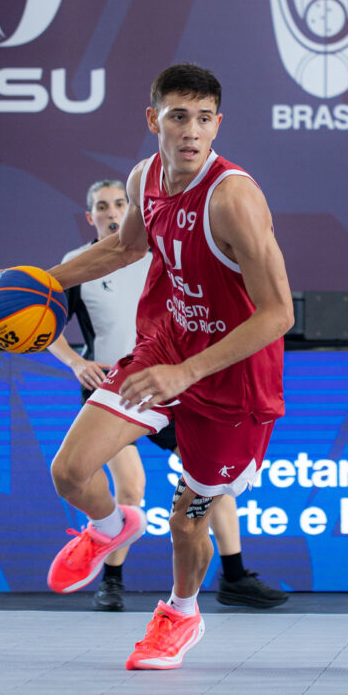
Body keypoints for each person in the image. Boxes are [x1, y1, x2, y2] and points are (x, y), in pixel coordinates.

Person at [39, 63, 294, 670]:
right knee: (69, 472)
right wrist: (44, 280)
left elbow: (279, 313)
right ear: (154, 119)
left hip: (233, 379)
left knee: (187, 520)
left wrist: (188, 373)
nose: (191, 131)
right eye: (179, 117)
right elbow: (127, 246)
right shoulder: (144, 177)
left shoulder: (234, 198)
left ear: (218, 124)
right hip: (164, 348)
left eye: (204, 119)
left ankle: (180, 614)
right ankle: (110, 527)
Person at [47, 179, 288, 613]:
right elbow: (46, 323)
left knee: (208, 492)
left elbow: (273, 311)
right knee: (124, 484)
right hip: (122, 380)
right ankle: (112, 578)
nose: (112, 211)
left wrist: (189, 370)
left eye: (119, 203)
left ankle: (233, 576)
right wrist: (76, 362)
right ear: (90, 215)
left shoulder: (159, 251)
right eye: (102, 206)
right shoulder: (77, 264)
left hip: (179, 378)